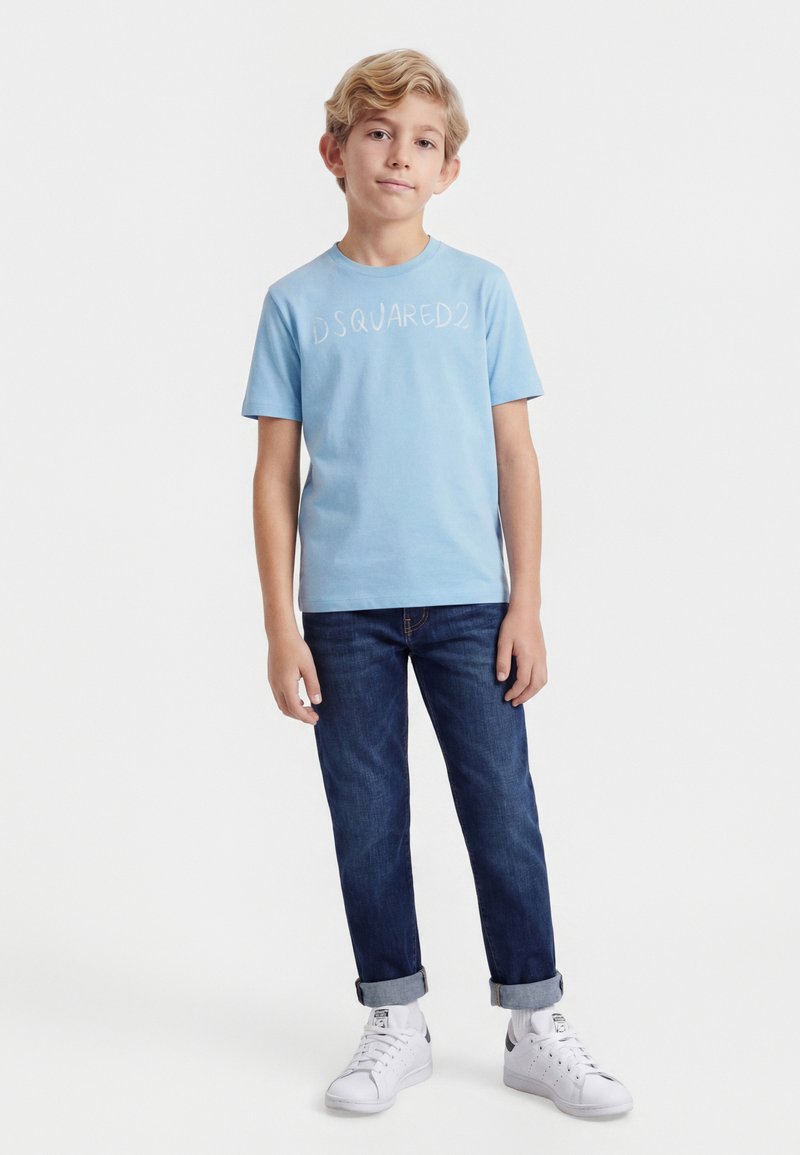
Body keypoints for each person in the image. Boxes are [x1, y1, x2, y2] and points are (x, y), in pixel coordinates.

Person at [241, 48, 633, 1120]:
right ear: (333, 152)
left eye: (421, 141)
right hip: (342, 612)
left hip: (469, 602)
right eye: (376, 134)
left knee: (501, 810)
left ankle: (534, 1020)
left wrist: (526, 601)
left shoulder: (478, 290)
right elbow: (274, 474)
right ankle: (395, 1017)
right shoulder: (294, 301)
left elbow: (515, 454)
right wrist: (280, 626)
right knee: (366, 819)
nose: (397, 156)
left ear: (448, 168)